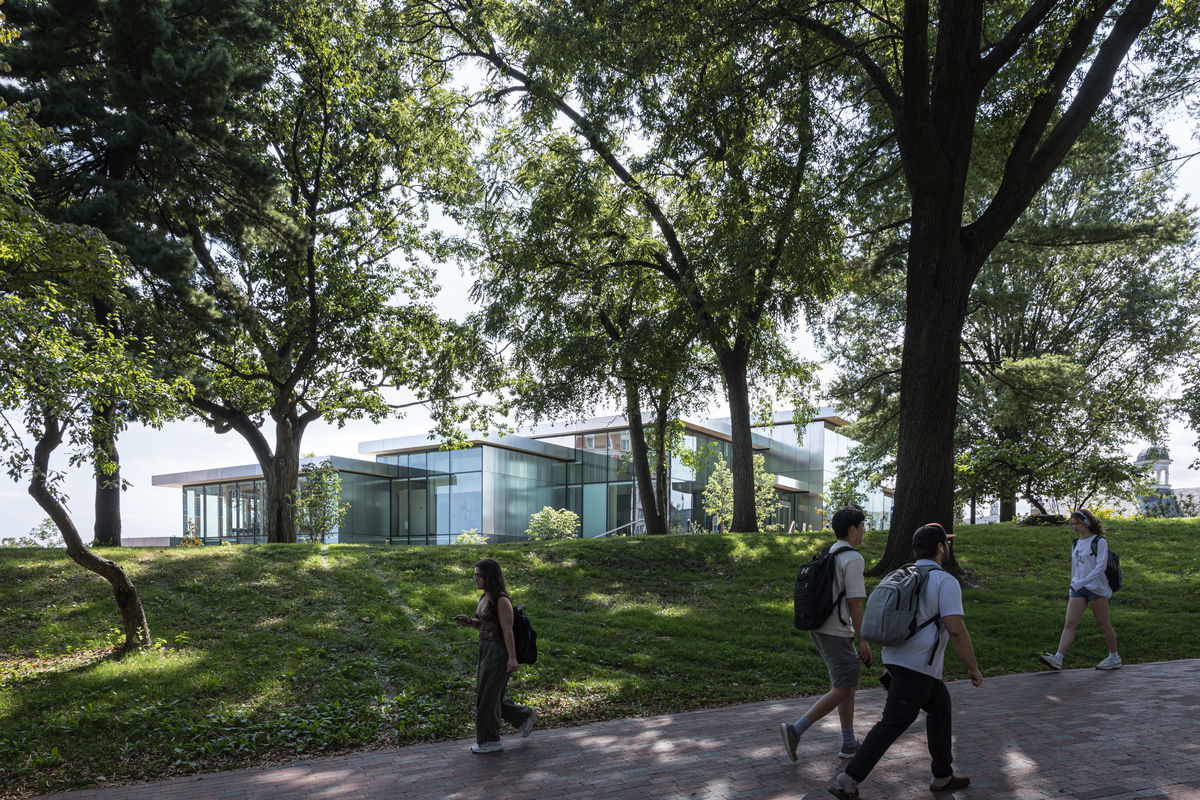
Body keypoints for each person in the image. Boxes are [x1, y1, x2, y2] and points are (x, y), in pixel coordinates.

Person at [828, 523, 983, 800]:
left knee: (940, 708)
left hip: (898, 658)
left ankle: (942, 775)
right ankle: (847, 780)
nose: (947, 547)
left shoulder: (901, 574)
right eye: (945, 543)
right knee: (893, 723)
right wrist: (973, 667)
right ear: (939, 547)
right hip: (917, 666)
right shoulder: (944, 581)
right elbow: (956, 629)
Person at [781, 507, 873, 762]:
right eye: (862, 525)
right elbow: (855, 604)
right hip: (836, 630)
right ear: (852, 528)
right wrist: (863, 639)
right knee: (843, 687)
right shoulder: (853, 558)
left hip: (820, 627)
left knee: (847, 685)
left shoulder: (831, 552)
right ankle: (795, 730)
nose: (864, 530)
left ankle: (849, 742)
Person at [454, 558, 537, 753]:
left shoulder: (501, 600)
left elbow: (507, 630)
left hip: (499, 651)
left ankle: (490, 741)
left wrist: (512, 657)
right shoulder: (485, 597)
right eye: (474, 576)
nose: (475, 579)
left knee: (487, 698)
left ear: (489, 577)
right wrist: (471, 622)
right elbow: (487, 624)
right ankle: (524, 715)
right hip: (485, 648)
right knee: (490, 696)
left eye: (478, 576)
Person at [1038, 509, 1121, 671]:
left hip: (1097, 588)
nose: (1075, 527)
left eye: (1078, 523)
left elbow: (1100, 567)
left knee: (1102, 623)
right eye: (1072, 524)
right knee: (1070, 623)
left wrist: (1082, 582)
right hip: (1078, 588)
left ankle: (1114, 657)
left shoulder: (1099, 541)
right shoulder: (1076, 543)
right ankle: (1058, 658)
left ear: (1087, 523)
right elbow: (1074, 567)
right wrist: (1074, 584)